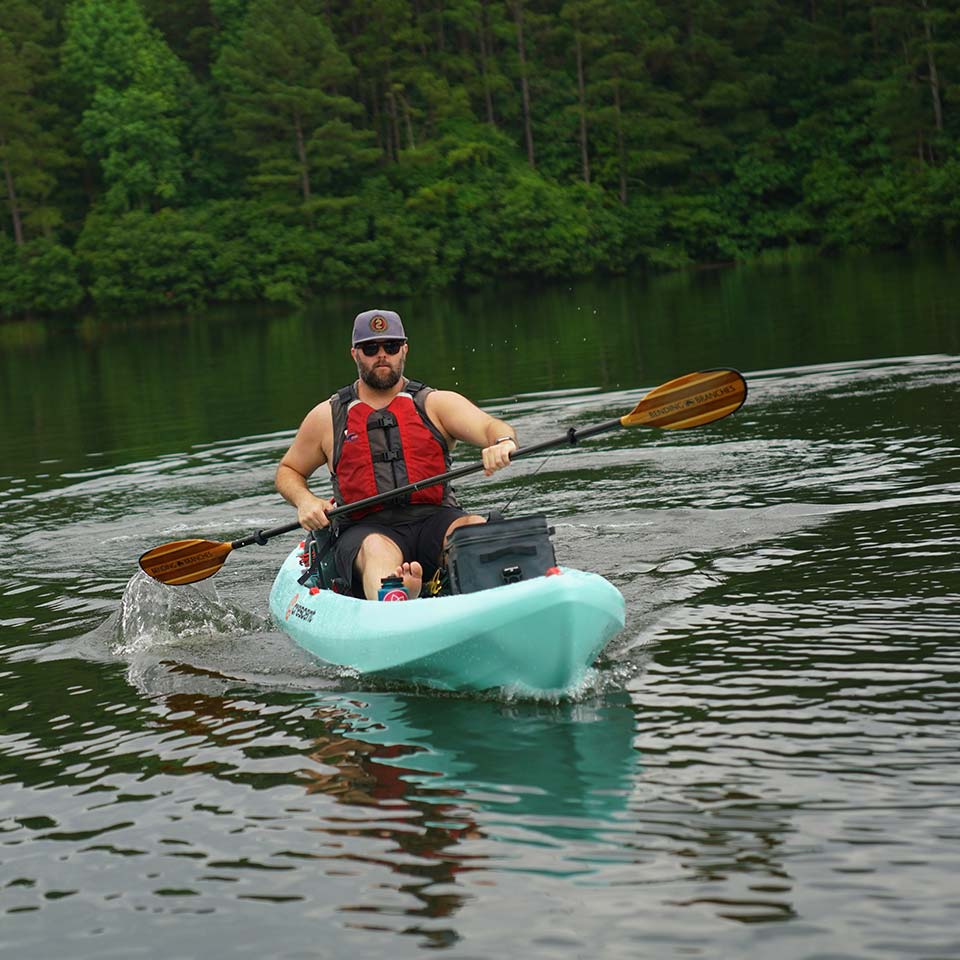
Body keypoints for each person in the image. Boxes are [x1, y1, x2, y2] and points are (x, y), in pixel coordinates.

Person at [276, 309, 518, 600]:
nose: (382, 355)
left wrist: (502, 442)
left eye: (390, 346)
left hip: (435, 520)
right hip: (365, 530)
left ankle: (479, 590)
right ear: (355, 354)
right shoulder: (328, 416)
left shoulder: (435, 404)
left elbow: (491, 426)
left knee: (475, 528)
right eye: (371, 348)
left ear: (404, 349)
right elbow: (289, 470)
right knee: (377, 550)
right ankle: (398, 596)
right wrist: (306, 501)